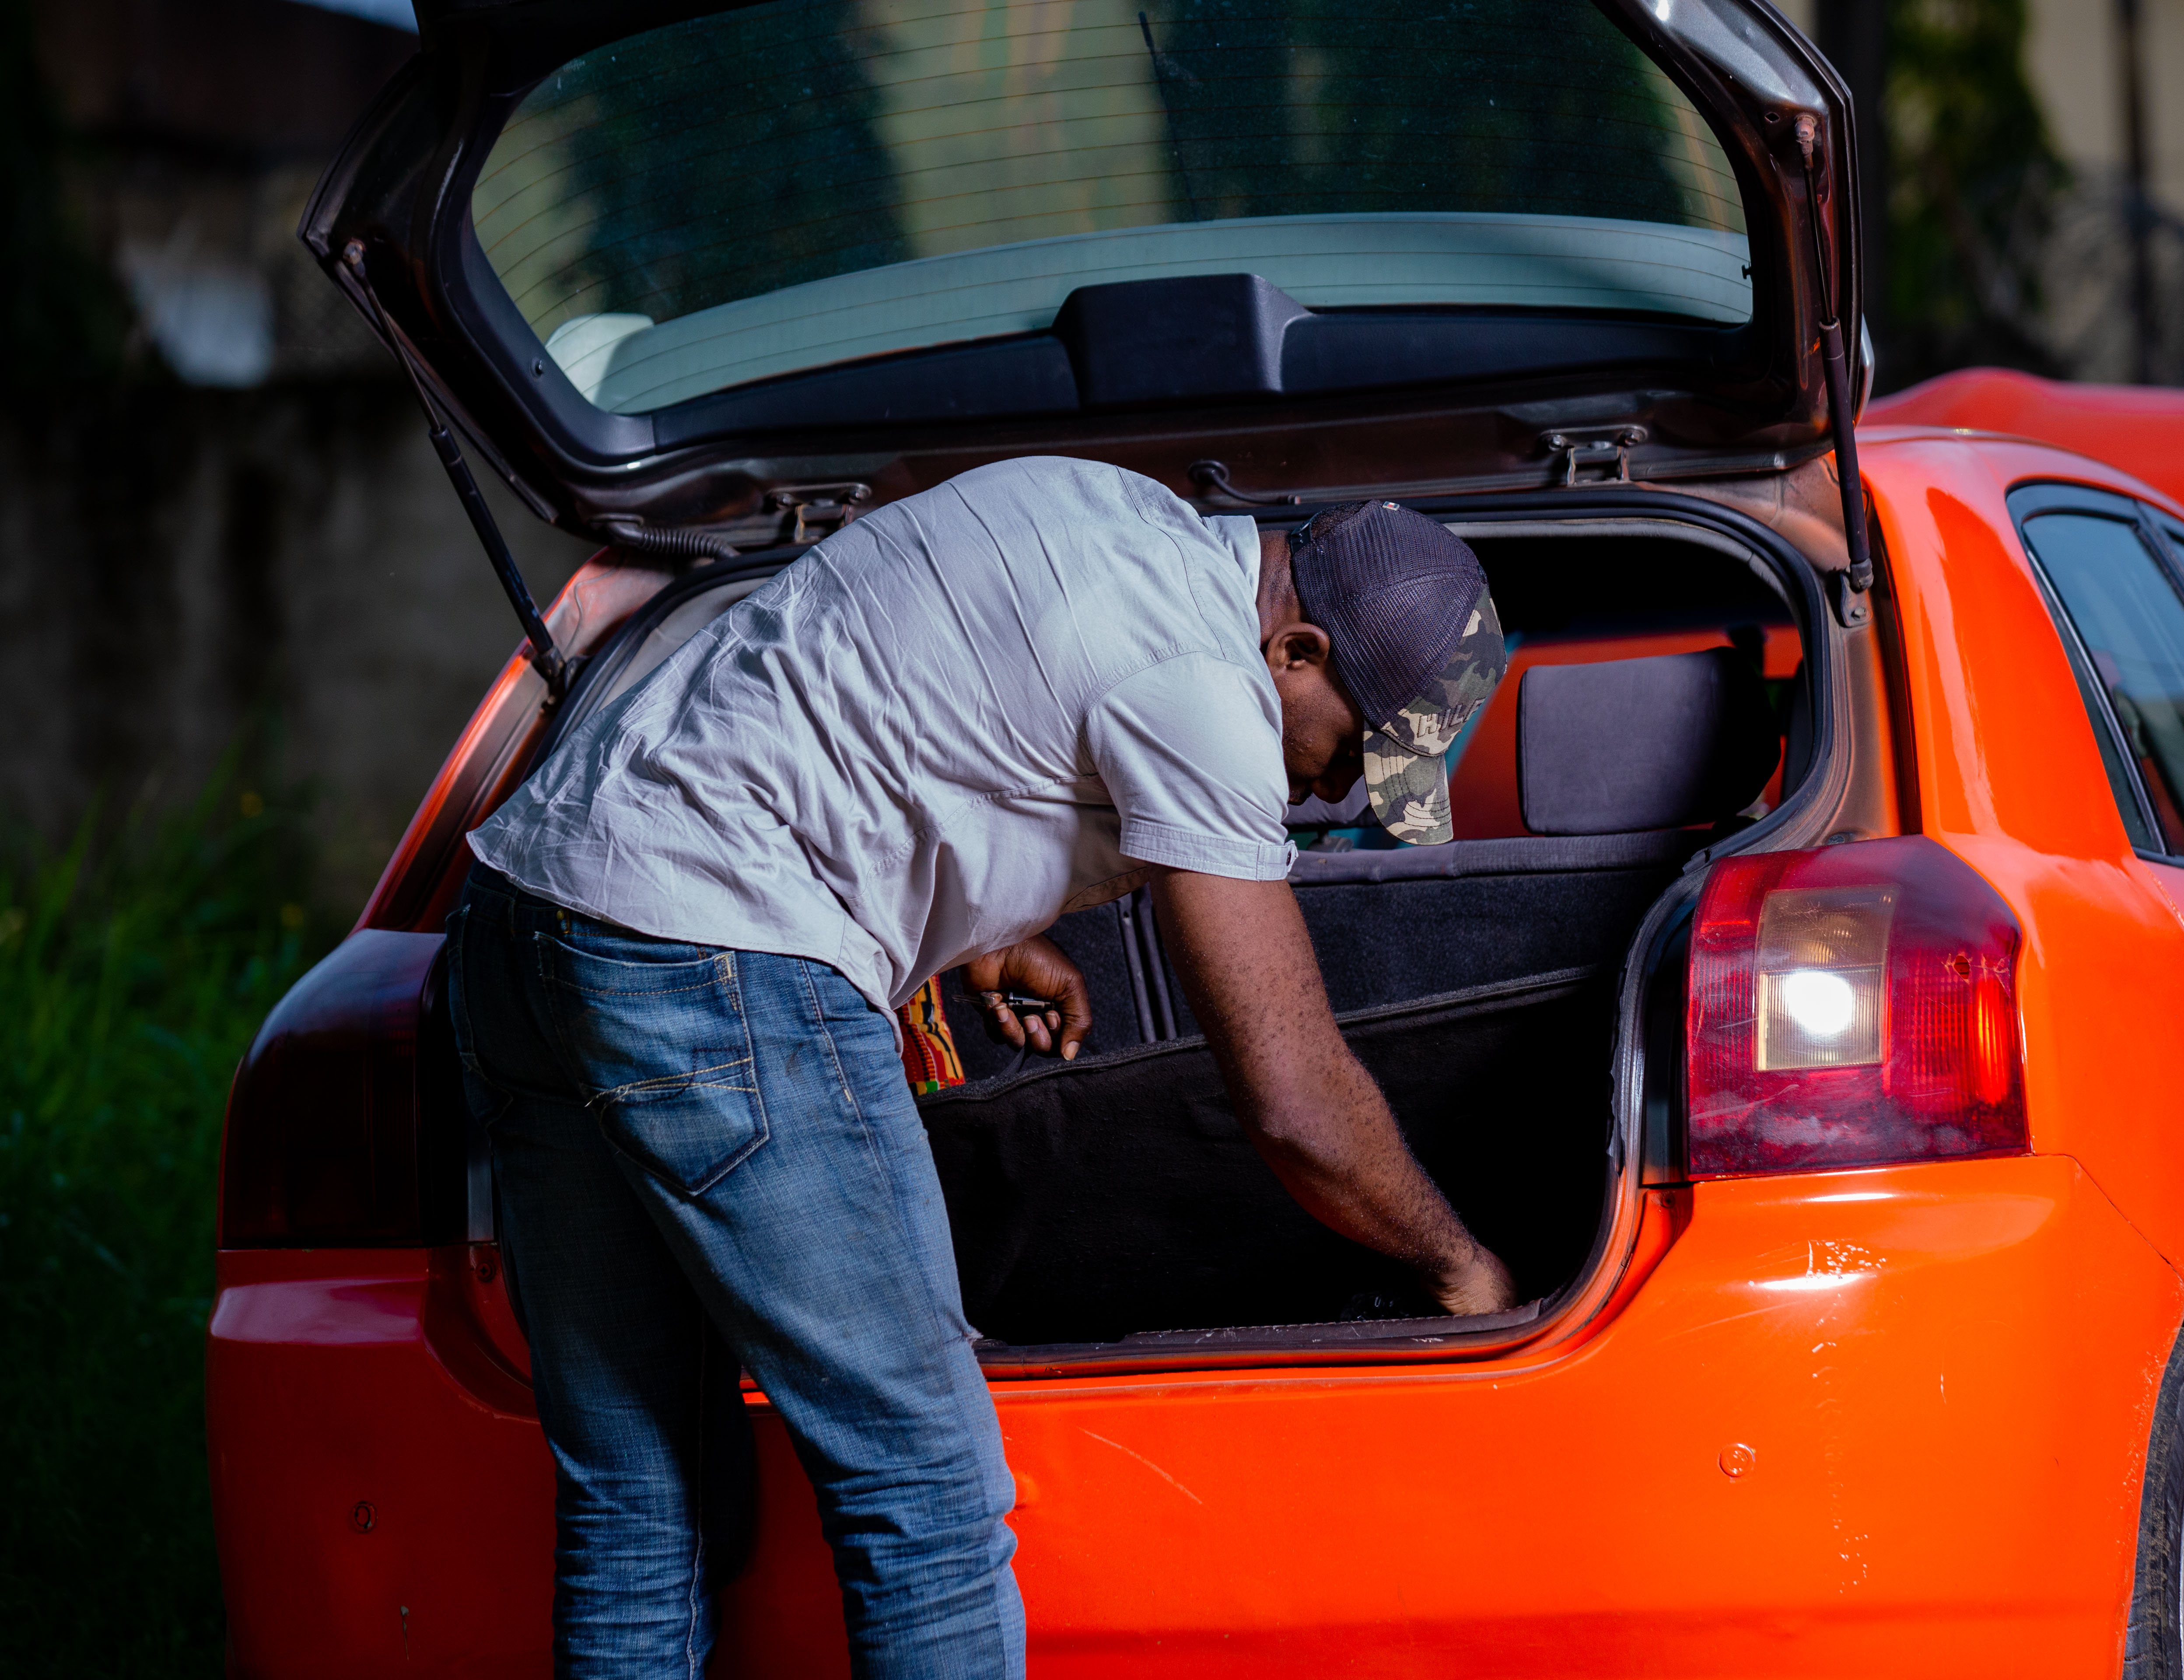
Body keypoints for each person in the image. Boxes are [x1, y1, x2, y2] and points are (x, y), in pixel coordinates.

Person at [446, 456, 1514, 1680]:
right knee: (928, 1501)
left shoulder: (1112, 509)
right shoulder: (1205, 686)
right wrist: (1461, 1265)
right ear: (1297, 650)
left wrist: (980, 931)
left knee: (641, 1497)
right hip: (709, 949)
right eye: (1350, 754)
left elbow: (898, 694)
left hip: (527, 918)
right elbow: (1292, 1097)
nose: (1332, 793)